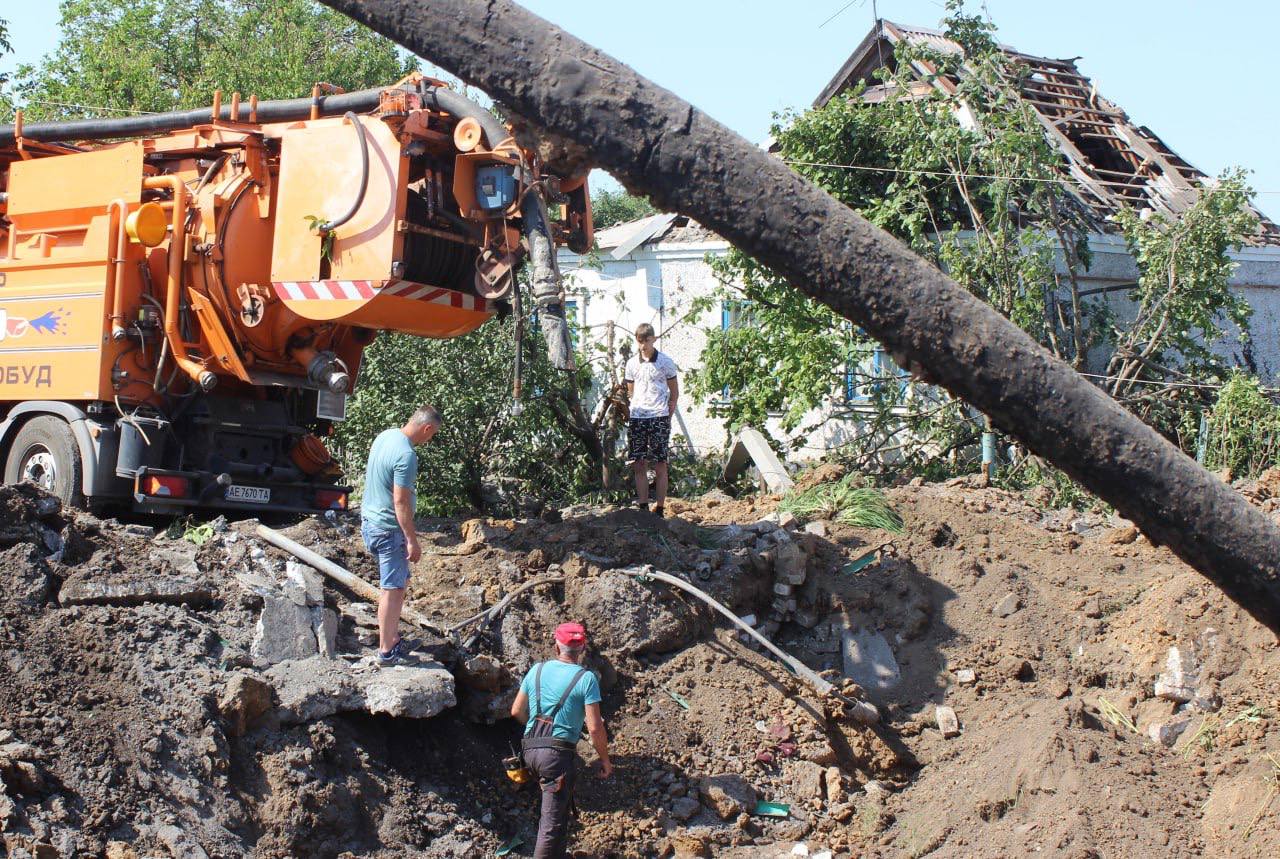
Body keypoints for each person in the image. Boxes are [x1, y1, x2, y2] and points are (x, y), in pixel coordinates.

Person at [511, 623, 612, 859]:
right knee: (551, 824)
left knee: (559, 811)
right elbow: (595, 727)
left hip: (529, 750)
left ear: (557, 645)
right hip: (556, 756)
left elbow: (516, 710)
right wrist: (604, 759)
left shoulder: (536, 670)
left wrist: (537, 734)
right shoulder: (586, 679)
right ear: (583, 648)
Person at [360, 405, 441, 666]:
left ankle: (392, 637)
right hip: (388, 529)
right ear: (426, 428)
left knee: (399, 581)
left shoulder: (386, 436)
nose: (429, 440)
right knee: (392, 590)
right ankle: (386, 652)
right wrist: (411, 539)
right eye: (432, 435)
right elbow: (400, 502)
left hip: (370, 521)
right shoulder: (406, 455)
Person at [624, 323, 679, 517]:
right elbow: (631, 392)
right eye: (639, 342)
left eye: (646, 341)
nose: (642, 346)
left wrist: (667, 415)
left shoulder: (665, 362)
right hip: (638, 417)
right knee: (638, 462)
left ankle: (661, 508)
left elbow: (674, 392)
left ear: (653, 339)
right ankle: (643, 507)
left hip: (659, 417)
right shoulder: (631, 364)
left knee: (660, 463)